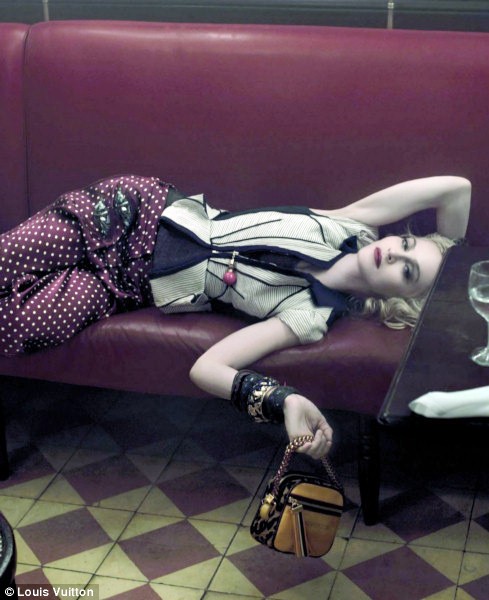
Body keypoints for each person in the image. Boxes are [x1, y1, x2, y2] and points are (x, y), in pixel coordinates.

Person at [0, 175, 471, 458]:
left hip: (124, 285)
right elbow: (456, 188)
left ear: (400, 300)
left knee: (15, 327)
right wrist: (453, 259)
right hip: (132, 214)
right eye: (406, 244)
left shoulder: (311, 314)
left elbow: (207, 367)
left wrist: (284, 401)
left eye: (408, 272)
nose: (395, 254)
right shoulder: (352, 222)